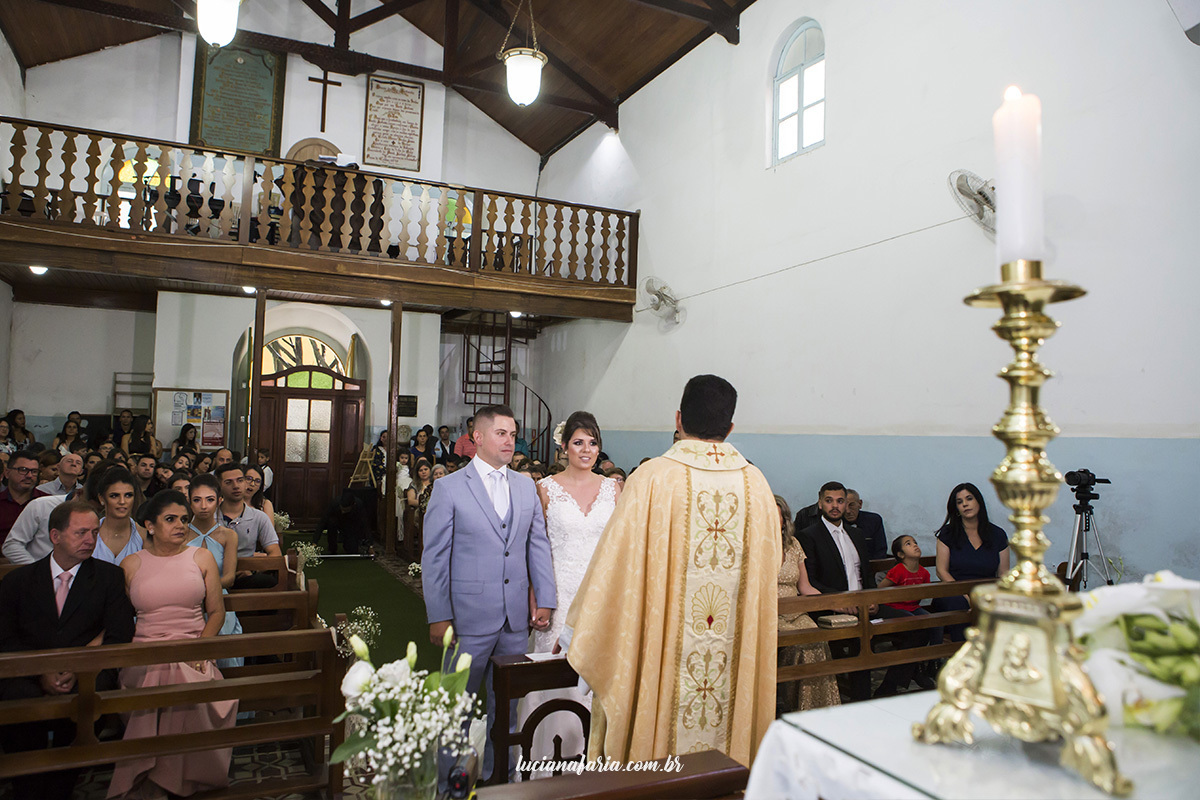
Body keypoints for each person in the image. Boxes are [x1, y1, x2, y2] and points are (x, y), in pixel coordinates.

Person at [564, 375, 780, 766]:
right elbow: (770, 569)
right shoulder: (757, 485)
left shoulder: (653, 478)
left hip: (661, 663)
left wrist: (583, 628)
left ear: (678, 419)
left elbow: (615, 568)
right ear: (730, 427)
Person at [422, 404, 556, 780]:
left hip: (514, 619)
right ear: (477, 438)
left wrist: (544, 598)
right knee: (457, 707)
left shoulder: (525, 485)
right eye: (501, 433)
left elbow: (537, 544)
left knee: (508, 709)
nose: (510, 441)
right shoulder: (449, 488)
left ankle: (501, 780)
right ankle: (450, 784)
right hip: (466, 617)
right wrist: (438, 615)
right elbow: (434, 557)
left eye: (513, 434)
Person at [0, 500, 136, 800]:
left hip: (87, 670)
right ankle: (28, 787)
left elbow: (119, 634)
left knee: (90, 698)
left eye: (94, 532)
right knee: (16, 700)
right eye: (81, 532)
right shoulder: (18, 581)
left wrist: (76, 668)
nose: (90, 540)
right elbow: (6, 638)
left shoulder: (109, 578)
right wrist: (42, 671)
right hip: (26, 672)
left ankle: (63, 786)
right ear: (55, 536)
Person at [107, 490, 236, 798]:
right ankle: (169, 779)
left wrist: (199, 651)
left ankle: (155, 781)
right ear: (149, 526)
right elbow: (123, 620)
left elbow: (216, 613)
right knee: (159, 672)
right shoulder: (131, 564)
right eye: (170, 519)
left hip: (194, 650)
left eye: (183, 519)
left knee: (179, 673)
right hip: (145, 653)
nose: (180, 525)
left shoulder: (200, 557)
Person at [517, 411, 620, 773]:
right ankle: (545, 765)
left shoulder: (613, 488)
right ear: (564, 446)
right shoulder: (545, 489)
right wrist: (536, 597)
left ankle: (592, 765)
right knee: (556, 676)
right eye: (579, 442)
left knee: (596, 677)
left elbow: (620, 548)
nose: (586, 449)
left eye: (593, 442)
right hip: (558, 594)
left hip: (601, 596)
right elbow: (535, 548)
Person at [796, 482, 928, 700]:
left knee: (918, 627)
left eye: (840, 501)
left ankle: (888, 687)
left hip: (866, 604)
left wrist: (872, 597)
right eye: (829, 501)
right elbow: (812, 580)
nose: (835, 506)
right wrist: (839, 601)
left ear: (847, 504)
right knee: (860, 640)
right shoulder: (808, 535)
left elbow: (866, 574)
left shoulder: (856, 535)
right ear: (820, 503)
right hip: (834, 607)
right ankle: (861, 700)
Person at [774, 495, 840, 713]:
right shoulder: (754, 547)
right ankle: (797, 708)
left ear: (785, 520)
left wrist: (832, 602)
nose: (774, 520)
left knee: (817, 641)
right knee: (799, 646)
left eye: (779, 516)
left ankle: (823, 711)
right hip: (770, 614)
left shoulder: (793, 545)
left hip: (796, 612)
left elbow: (805, 587)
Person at [931, 482, 1011, 641]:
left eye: (969, 499)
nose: (965, 504)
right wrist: (967, 597)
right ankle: (962, 656)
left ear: (978, 502)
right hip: (953, 591)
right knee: (958, 604)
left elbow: (1004, 575)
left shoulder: (997, 534)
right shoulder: (948, 533)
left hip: (985, 592)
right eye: (959, 502)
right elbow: (941, 571)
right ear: (956, 509)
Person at [187, 474, 243, 669]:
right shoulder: (181, 532)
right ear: (189, 501)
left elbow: (229, 577)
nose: (203, 506)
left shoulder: (228, 535)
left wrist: (203, 588)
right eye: (197, 500)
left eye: (209, 499)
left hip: (219, 598)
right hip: (186, 601)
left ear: (219, 501)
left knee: (225, 657)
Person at [879, 534, 943, 678]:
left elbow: (925, 592)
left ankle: (935, 661)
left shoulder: (924, 572)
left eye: (915, 542)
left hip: (913, 607)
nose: (915, 545)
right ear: (901, 554)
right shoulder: (898, 570)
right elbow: (881, 589)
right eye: (908, 544)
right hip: (896, 607)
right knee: (915, 623)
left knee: (936, 622)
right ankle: (917, 664)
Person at [215, 463, 281, 589]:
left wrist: (252, 569)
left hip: (245, 576)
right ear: (219, 485)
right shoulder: (208, 515)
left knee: (268, 582)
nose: (236, 486)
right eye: (229, 482)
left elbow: (275, 553)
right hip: (213, 574)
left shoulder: (259, 517)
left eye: (240, 480)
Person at [94, 467, 146, 566]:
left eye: (128, 495)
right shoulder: (89, 535)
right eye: (114, 496)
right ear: (101, 499)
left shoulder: (144, 536)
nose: (122, 501)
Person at [1, 451, 49, 547]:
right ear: (7, 473)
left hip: (39, 560)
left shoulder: (47, 502)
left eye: (34, 471)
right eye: (23, 470)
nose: (29, 475)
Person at [319, 490, 369, 555]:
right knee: (331, 522)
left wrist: (370, 545)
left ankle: (348, 542)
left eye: (345, 510)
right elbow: (322, 522)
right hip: (337, 522)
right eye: (341, 509)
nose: (342, 511)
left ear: (352, 505)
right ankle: (332, 548)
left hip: (351, 525)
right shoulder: (334, 503)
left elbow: (366, 524)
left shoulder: (359, 505)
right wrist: (314, 542)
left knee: (352, 551)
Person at [844, 488, 888, 559]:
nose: (847, 511)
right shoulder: (836, 523)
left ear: (860, 504)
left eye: (851, 505)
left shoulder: (873, 521)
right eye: (843, 506)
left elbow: (880, 551)